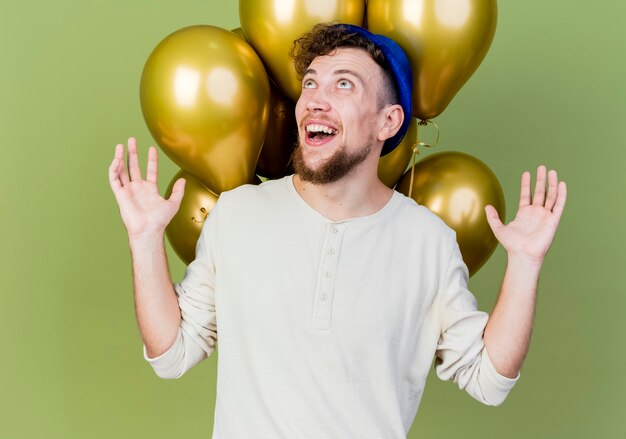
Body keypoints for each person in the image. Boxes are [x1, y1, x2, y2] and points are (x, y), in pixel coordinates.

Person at [109, 23, 567, 438]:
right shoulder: (236, 214)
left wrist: (525, 265)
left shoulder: (428, 241)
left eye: (343, 83)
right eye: (310, 83)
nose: (314, 99)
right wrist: (145, 241)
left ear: (387, 122)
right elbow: (172, 355)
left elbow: (489, 380)